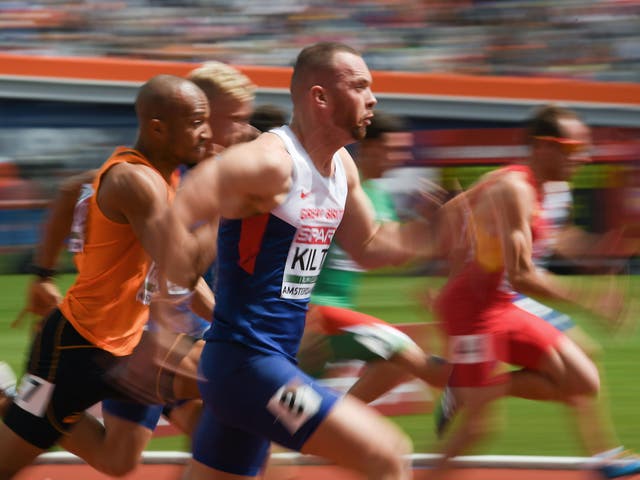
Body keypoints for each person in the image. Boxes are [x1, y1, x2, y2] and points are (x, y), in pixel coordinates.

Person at [159, 41, 442, 480]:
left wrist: (435, 235)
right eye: (361, 86)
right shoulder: (271, 161)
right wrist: (162, 308)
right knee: (387, 455)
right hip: (249, 369)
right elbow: (180, 207)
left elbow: (368, 245)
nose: (374, 98)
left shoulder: (342, 167)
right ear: (320, 97)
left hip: (263, 365)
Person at [3, 62, 259, 477]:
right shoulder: (134, 180)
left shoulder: (170, 173)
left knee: (119, 462)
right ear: (161, 127)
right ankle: (9, 399)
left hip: (132, 343)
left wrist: (231, 324)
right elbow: (179, 268)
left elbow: (171, 275)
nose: (211, 132)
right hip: (76, 350)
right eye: (201, 122)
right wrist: (226, 202)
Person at [429, 104, 640, 479]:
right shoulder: (514, 188)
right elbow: (524, 275)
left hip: (502, 303)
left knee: (582, 380)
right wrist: (593, 302)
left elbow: (454, 210)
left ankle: (472, 387)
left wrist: (593, 249)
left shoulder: (547, 190)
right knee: (479, 428)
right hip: (472, 312)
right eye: (574, 149)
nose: (583, 158)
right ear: (544, 147)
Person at [300, 110, 450, 402]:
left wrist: (433, 227)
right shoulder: (336, 184)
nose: (400, 158)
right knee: (405, 353)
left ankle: (336, 426)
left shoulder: (378, 196)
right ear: (368, 148)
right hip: (316, 312)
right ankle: (339, 425)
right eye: (393, 149)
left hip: (333, 316)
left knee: (287, 417)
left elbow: (394, 254)